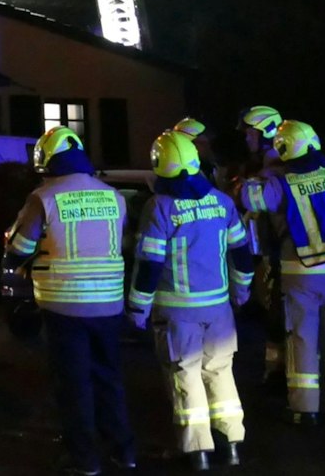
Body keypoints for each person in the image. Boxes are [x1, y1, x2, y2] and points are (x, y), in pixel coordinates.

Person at [5, 127, 136, 476]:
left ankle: (84, 459)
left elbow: (18, 249)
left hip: (64, 305)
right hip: (109, 304)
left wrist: (18, 258)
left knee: (74, 384)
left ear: (46, 160)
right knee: (109, 377)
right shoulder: (113, 196)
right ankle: (124, 451)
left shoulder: (44, 197)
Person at [129, 131, 253, 470]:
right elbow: (242, 255)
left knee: (186, 377)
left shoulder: (160, 207)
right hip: (219, 309)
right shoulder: (223, 202)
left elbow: (150, 265)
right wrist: (241, 292)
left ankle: (197, 452)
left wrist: (137, 309)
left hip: (177, 313)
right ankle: (231, 446)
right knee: (220, 373)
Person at [240, 119, 325, 425]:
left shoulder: (281, 180)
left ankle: (306, 409)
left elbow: (249, 198)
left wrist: (264, 171)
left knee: (303, 339)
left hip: (301, 272)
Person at [231, 105, 286, 381]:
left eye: (250, 133)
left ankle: (280, 374)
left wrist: (243, 185)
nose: (246, 139)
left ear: (265, 132)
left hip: (282, 252)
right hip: (274, 251)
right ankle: (278, 370)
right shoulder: (268, 164)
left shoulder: (275, 169)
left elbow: (249, 199)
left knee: (280, 317)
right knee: (275, 314)